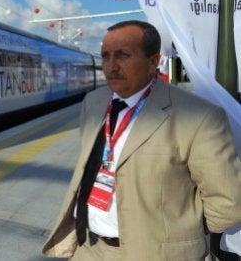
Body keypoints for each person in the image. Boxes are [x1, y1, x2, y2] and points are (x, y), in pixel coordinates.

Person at [42, 20, 241, 260]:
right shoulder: (93, 102)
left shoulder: (199, 117)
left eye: (123, 55)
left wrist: (174, 234)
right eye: (105, 56)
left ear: (153, 61)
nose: (111, 66)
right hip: (89, 248)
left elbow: (229, 203)